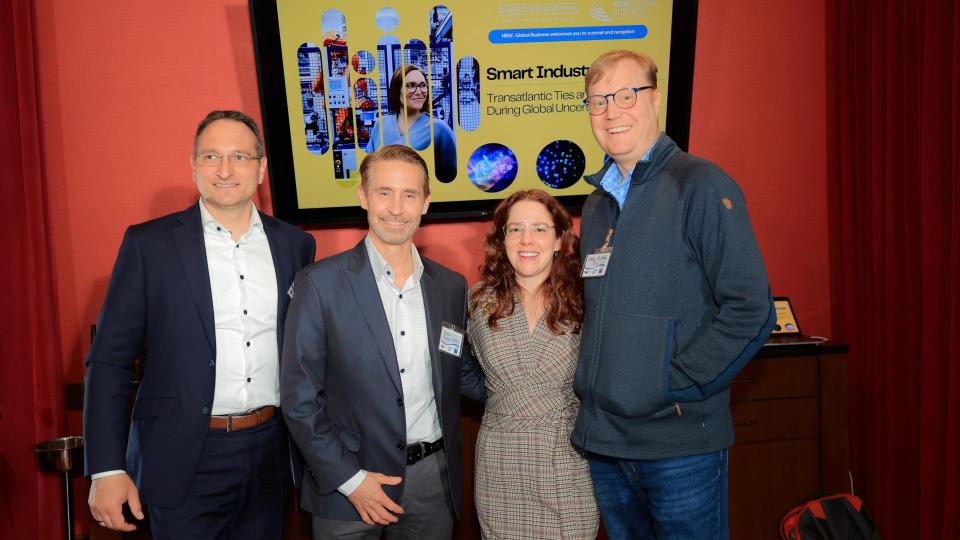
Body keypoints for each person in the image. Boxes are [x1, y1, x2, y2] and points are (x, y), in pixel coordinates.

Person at [83, 110, 316, 539]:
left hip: (272, 452)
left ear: (261, 168)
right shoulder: (149, 245)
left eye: (239, 157)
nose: (225, 170)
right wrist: (106, 468)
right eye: (211, 156)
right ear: (193, 165)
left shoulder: (296, 245)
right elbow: (109, 361)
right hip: (183, 454)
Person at [572, 50, 776, 539]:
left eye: (626, 95)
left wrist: (671, 383)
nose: (611, 112)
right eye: (598, 101)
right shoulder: (597, 205)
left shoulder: (701, 184)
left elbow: (750, 310)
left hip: (680, 445)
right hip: (607, 446)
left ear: (656, 99)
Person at [280, 144, 486, 539]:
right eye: (384, 192)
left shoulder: (451, 287)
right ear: (363, 196)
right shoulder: (318, 284)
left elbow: (457, 371)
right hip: (347, 484)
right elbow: (299, 398)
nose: (396, 208)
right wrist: (350, 479)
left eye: (409, 195)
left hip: (432, 482)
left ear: (426, 202)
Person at [468, 189, 599, 539]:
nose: (527, 239)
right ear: (502, 239)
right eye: (516, 229)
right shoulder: (478, 302)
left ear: (558, 239)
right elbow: (457, 368)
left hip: (566, 456)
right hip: (500, 461)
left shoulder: (587, 299)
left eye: (539, 229)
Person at [365, 65, 457, 181]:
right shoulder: (381, 125)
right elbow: (368, 168)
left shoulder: (439, 129)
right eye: (410, 85)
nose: (419, 92)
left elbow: (451, 176)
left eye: (423, 85)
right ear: (396, 90)